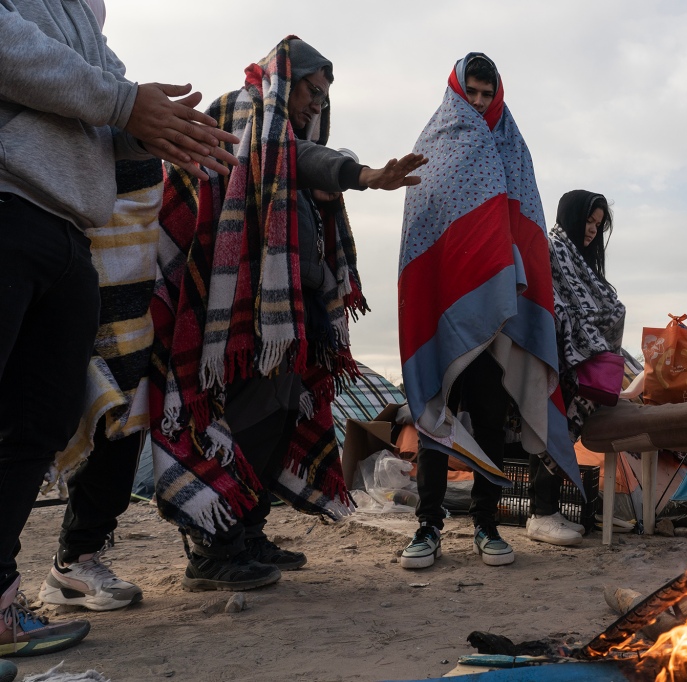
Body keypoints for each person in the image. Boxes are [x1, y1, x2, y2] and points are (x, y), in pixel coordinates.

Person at [0, 0, 238, 662]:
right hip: (6, 201)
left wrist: (155, 127)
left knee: (37, 424)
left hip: (70, 222)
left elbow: (106, 104)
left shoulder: (82, 11)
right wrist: (123, 101)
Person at [151, 36, 425, 592]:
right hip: (231, 318)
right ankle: (211, 547)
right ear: (284, 78)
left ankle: (247, 528)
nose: (316, 105)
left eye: (323, 97)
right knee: (236, 421)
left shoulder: (285, 141)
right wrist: (362, 174)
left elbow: (297, 170)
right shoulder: (241, 112)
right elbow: (289, 158)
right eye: (310, 91)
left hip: (282, 323)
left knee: (274, 416)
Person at [398, 53, 580, 569]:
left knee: (491, 418)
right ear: (456, 91)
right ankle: (428, 526)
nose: (478, 104)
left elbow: (525, 225)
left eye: (486, 94)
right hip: (444, 311)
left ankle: (485, 523)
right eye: (471, 93)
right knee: (436, 414)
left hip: (498, 313)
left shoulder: (512, 148)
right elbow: (421, 232)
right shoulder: (431, 145)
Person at [36, 0, 151, 615]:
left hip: (99, 260)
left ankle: (74, 559)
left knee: (113, 416)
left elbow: (118, 126)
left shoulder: (97, 50)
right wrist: (129, 108)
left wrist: (147, 123)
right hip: (35, 229)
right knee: (44, 415)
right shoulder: (29, 29)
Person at [526, 191, 626, 546]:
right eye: (588, 221)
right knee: (550, 429)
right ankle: (541, 513)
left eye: (598, 225)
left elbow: (599, 306)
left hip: (578, 364)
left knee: (559, 432)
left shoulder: (580, 261)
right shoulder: (552, 248)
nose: (592, 231)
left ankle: (546, 511)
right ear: (571, 215)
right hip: (557, 359)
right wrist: (583, 334)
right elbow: (549, 301)